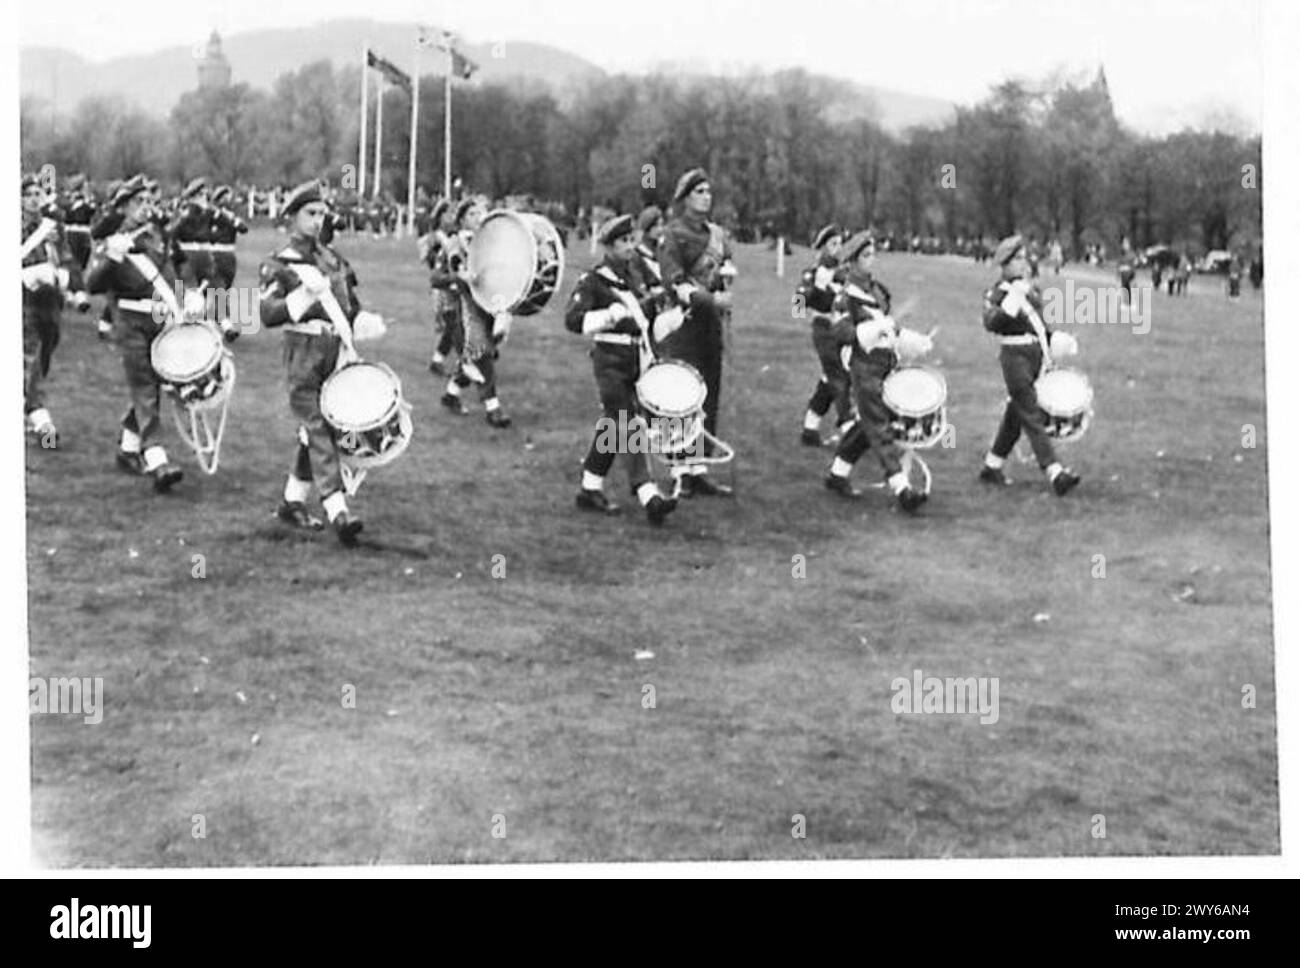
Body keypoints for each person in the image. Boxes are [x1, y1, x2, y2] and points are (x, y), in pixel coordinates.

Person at [258, 180, 384, 545]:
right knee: (317, 426)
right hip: (303, 349)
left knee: (323, 424)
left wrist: (362, 321)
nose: (317, 221)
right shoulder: (278, 262)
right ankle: (336, 507)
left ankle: (292, 501)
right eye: (310, 214)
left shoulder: (332, 259)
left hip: (335, 348)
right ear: (293, 217)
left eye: (321, 214)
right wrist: (297, 300)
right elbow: (265, 314)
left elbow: (350, 304)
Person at [566, 215, 678, 526]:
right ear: (609, 247)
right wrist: (606, 315)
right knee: (625, 422)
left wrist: (673, 314)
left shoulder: (637, 272)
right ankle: (647, 493)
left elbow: (653, 311)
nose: (630, 247)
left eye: (631, 240)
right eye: (623, 242)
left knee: (613, 425)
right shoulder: (594, 280)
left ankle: (589, 488)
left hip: (637, 357)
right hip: (610, 360)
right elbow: (573, 320)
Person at [84, 178, 186, 490]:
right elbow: (92, 283)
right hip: (129, 321)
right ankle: (157, 459)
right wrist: (111, 257)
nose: (145, 207)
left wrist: (188, 295)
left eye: (147, 201)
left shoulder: (157, 234)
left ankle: (128, 450)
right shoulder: (111, 238)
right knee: (144, 385)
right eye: (138, 202)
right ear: (124, 206)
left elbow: (173, 270)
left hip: (159, 317)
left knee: (153, 383)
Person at [822, 232, 930, 512]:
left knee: (866, 424)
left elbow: (890, 329)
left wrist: (913, 341)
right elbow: (840, 331)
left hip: (886, 364)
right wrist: (871, 329)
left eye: (873, 254)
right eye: (866, 256)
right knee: (880, 429)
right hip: (864, 366)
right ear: (852, 262)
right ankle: (901, 488)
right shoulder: (846, 297)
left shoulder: (877, 291)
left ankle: (837, 474)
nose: (873, 260)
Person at [977, 234, 1081, 496]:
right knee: (1032, 414)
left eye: (1024, 258)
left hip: (1035, 356)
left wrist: (1057, 340)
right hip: (1015, 358)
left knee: (1017, 414)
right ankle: (1054, 472)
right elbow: (992, 322)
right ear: (1006, 263)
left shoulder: (1030, 290)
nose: (1024, 263)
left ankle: (992, 466)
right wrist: (1012, 301)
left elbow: (1040, 325)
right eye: (1019, 259)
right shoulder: (997, 293)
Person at [656, 168, 736, 497]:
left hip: (710, 327)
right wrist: (711, 298)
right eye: (700, 191)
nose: (707, 196)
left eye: (708, 191)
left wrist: (725, 278)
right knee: (683, 397)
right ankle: (679, 469)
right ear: (686, 197)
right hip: (684, 323)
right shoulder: (673, 234)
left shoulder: (718, 234)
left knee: (709, 396)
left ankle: (698, 467)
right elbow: (674, 281)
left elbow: (722, 269)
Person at [431, 196, 512, 428]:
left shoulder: (488, 244)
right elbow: (435, 278)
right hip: (460, 310)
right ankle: (493, 409)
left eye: (481, 213)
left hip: (486, 308)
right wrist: (457, 278)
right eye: (472, 214)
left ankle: (451, 395)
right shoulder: (454, 244)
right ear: (462, 219)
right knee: (481, 356)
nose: (478, 218)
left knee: (473, 359)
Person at [21, 174, 83, 448]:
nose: (35, 199)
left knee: (44, 356)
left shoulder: (52, 228)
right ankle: (40, 419)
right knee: (28, 357)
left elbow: (67, 258)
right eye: (29, 194)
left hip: (51, 301)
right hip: (24, 299)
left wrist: (66, 279)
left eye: (38, 193)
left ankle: (34, 410)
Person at [797, 222, 855, 447]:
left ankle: (810, 429)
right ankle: (847, 424)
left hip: (843, 330)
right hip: (824, 329)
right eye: (832, 244)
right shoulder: (814, 273)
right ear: (822, 247)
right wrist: (817, 290)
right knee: (840, 375)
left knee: (829, 379)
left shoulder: (844, 273)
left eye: (840, 243)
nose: (837, 248)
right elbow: (799, 304)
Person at [420, 198, 459, 375]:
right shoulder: (435, 238)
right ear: (441, 215)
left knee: (454, 325)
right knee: (450, 325)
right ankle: (439, 360)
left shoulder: (454, 236)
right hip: (442, 288)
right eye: (448, 213)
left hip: (452, 286)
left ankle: (446, 360)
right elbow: (430, 262)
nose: (452, 217)